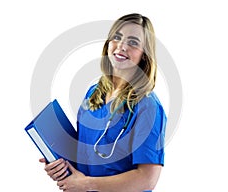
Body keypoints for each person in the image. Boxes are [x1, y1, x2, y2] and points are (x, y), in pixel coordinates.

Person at [39, 13, 167, 192]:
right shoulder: (94, 93)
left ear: (145, 55)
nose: (121, 46)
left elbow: (147, 179)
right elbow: (84, 154)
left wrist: (87, 184)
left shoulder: (148, 106)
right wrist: (60, 166)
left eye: (133, 42)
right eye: (117, 37)